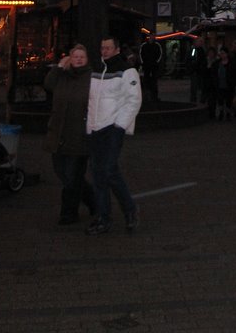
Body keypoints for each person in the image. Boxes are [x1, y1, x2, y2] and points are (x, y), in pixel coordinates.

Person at [86, 35, 142, 236]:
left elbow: (134, 100)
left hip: (112, 128)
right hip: (95, 128)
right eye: (102, 48)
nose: (105, 51)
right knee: (99, 174)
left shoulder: (127, 71)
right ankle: (104, 216)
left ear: (117, 49)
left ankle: (128, 209)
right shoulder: (96, 71)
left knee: (108, 170)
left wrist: (120, 126)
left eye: (108, 48)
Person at [44, 44, 96, 225]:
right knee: (62, 172)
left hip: (79, 135)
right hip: (59, 133)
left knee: (72, 176)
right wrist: (59, 67)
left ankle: (68, 212)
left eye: (82, 56)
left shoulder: (91, 79)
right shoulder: (63, 76)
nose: (79, 59)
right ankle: (93, 199)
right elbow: (48, 85)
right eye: (75, 56)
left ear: (87, 59)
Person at [139, 32, 163, 103]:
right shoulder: (144, 45)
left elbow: (160, 55)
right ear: (149, 36)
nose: (153, 37)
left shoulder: (157, 45)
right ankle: (147, 96)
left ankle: (154, 96)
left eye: (154, 36)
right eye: (151, 36)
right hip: (146, 66)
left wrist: (156, 63)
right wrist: (143, 63)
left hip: (154, 66)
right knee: (146, 81)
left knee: (154, 82)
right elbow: (141, 54)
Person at [187, 36, 208, 103]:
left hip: (201, 71)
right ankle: (194, 101)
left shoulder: (203, 50)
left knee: (200, 87)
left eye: (202, 41)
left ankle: (200, 100)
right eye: (200, 41)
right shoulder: (194, 50)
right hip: (196, 71)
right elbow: (191, 59)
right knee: (195, 87)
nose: (201, 43)